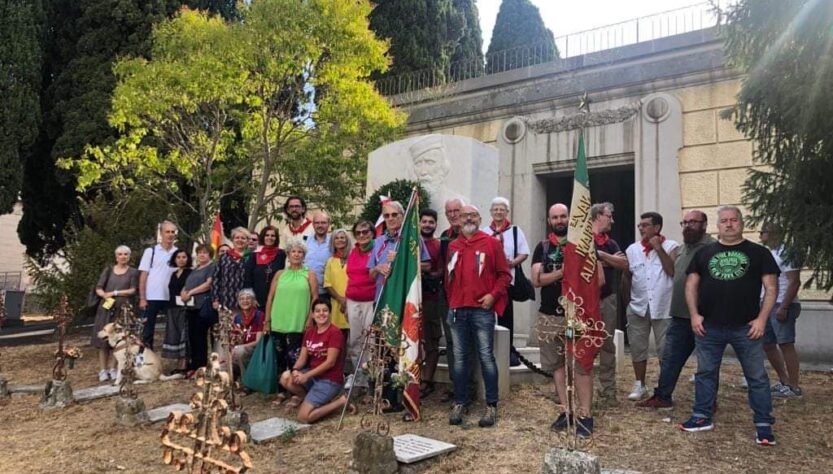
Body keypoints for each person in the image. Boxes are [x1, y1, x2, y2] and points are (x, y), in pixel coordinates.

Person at [679, 206, 779, 446]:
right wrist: (694, 315)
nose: (729, 224)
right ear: (718, 225)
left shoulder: (759, 253)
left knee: (756, 376)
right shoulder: (704, 253)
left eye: (734, 220)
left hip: (747, 327)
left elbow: (772, 288)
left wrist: (762, 319)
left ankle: (763, 424)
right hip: (709, 326)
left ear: (742, 223)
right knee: (705, 373)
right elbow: (691, 285)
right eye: (724, 221)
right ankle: (702, 416)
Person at [637, 210, 714, 410]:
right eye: (685, 222)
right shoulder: (682, 249)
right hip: (679, 315)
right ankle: (662, 397)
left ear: (704, 225)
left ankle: (709, 402)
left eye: (693, 222)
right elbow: (672, 272)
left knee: (707, 362)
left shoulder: (712, 248)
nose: (688, 226)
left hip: (703, 316)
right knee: (670, 359)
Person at [445, 205, 512, 428]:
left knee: (485, 356)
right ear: (458, 220)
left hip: (481, 310)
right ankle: (460, 401)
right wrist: (452, 301)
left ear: (480, 218)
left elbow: (504, 275)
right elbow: (449, 277)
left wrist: (493, 296)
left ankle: (491, 404)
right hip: (457, 309)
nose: (468, 219)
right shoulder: (454, 245)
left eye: (473, 215)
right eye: (464, 216)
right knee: (460, 358)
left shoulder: (491, 243)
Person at [533, 204, 594, 438]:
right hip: (550, 315)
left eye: (563, 216)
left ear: (570, 218)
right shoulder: (543, 247)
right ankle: (567, 411)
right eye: (555, 217)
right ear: (549, 221)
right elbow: (537, 280)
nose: (559, 220)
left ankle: (586, 415)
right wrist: (562, 273)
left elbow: (596, 280)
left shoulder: (583, 244)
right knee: (557, 366)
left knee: (580, 365)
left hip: (576, 316)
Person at [624, 212, 679, 401]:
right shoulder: (632, 249)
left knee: (665, 349)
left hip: (663, 307)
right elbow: (627, 276)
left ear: (657, 228)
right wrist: (628, 302)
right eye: (640, 225)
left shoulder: (671, 246)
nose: (641, 228)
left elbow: (672, 271)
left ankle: (664, 387)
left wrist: (658, 248)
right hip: (638, 305)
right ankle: (640, 384)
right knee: (638, 347)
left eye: (645, 225)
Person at [265, 238, 318, 404]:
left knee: (296, 358)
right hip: (278, 321)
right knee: (280, 358)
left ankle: (296, 391)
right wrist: (267, 320)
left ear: (304, 255)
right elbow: (270, 297)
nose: (296, 254)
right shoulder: (280, 274)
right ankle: (281, 391)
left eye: (300, 252)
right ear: (288, 254)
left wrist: (310, 319)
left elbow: (315, 298)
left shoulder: (309, 274)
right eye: (293, 251)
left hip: (298, 322)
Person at [280, 298, 350, 423]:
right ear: (312, 314)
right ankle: (312, 400)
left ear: (330, 313)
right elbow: (302, 358)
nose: (321, 314)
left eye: (325, 310)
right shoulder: (310, 332)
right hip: (314, 376)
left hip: (330, 380)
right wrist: (295, 370)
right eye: (317, 311)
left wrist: (306, 375)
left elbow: (330, 362)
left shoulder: (335, 333)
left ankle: (341, 401)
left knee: (303, 417)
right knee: (286, 378)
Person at [482, 197, 530, 367]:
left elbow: (524, 252)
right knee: (487, 315)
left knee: (506, 315)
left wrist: (512, 263)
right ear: (491, 212)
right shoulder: (484, 232)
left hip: (508, 280)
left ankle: (507, 350)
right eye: (495, 209)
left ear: (507, 212)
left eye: (502, 209)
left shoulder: (515, 231)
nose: (498, 212)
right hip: (488, 281)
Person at [590, 202, 628, 405]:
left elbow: (623, 263)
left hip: (607, 300)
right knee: (582, 345)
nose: (612, 220)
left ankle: (608, 392)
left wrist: (602, 256)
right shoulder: (583, 239)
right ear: (598, 216)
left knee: (607, 346)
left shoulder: (610, 243)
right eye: (609, 216)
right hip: (585, 301)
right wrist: (609, 260)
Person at [760, 223, 803, 398]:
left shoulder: (786, 253)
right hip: (767, 304)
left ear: (772, 233)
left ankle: (794, 386)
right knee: (768, 344)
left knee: (786, 344)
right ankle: (784, 381)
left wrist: (784, 306)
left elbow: (794, 281)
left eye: (763, 232)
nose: (761, 235)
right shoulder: (769, 253)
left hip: (782, 303)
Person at [91, 245, 139, 382]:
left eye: (126, 254)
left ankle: (113, 368)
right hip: (106, 308)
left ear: (129, 256)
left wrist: (116, 293)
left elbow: (133, 290)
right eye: (120, 254)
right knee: (103, 340)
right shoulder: (108, 270)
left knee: (120, 340)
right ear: (116, 256)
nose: (123, 257)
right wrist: (104, 295)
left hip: (123, 309)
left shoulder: (133, 272)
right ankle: (102, 370)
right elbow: (99, 287)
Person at [367, 201, 430, 299]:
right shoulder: (378, 242)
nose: (390, 218)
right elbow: (371, 274)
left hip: (405, 297)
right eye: (387, 216)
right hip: (382, 297)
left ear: (403, 216)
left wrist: (401, 260)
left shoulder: (413, 238)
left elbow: (427, 266)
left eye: (394, 214)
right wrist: (377, 268)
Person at [344, 220, 377, 390]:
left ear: (372, 233)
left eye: (366, 232)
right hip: (352, 300)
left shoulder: (377, 249)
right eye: (359, 233)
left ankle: (371, 377)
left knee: (370, 340)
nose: (362, 235)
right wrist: (345, 301)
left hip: (370, 301)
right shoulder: (353, 252)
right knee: (355, 340)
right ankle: (359, 376)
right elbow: (350, 277)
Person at [138, 220, 178, 349]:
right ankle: (145, 359)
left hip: (171, 298)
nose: (170, 234)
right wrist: (143, 298)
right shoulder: (151, 252)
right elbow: (143, 276)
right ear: (161, 233)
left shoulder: (178, 253)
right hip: (152, 297)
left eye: (173, 232)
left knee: (175, 328)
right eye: (167, 232)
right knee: (147, 331)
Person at [419, 209, 443, 398]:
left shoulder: (439, 245)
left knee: (431, 341)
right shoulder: (411, 243)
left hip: (431, 299)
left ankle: (428, 380)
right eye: (424, 221)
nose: (427, 224)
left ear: (435, 224)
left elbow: (442, 270)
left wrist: (428, 275)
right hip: (412, 299)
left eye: (431, 222)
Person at [183, 245, 215, 373]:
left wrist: (190, 292)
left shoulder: (212, 267)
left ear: (210, 255)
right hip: (191, 306)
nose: (202, 255)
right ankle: (194, 363)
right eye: (200, 253)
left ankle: (201, 364)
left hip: (203, 305)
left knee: (200, 336)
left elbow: (208, 284)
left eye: (205, 253)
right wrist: (183, 293)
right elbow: (186, 285)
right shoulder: (195, 269)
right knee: (192, 336)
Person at [161, 249, 192, 374]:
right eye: (178, 257)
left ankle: (184, 364)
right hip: (172, 307)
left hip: (185, 307)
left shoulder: (190, 273)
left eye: (184, 257)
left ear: (188, 259)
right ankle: (179, 362)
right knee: (175, 333)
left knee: (184, 334)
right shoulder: (173, 274)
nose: (181, 259)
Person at [245, 225, 286, 308]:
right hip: (256, 300)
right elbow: (247, 278)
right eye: (267, 235)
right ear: (263, 237)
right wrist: (251, 297)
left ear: (276, 238)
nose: (269, 238)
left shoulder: (281, 254)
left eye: (273, 235)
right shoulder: (254, 255)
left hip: (276, 298)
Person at [323, 228, 352, 341]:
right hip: (336, 304)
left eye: (342, 237)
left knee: (355, 338)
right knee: (338, 338)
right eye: (337, 238)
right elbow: (327, 284)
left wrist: (348, 300)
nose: (340, 240)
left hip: (353, 302)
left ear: (347, 240)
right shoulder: (330, 261)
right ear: (333, 241)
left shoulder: (354, 257)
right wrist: (341, 299)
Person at [213, 227, 251, 312]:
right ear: (232, 240)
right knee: (227, 325)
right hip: (225, 301)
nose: (239, 240)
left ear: (248, 241)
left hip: (245, 302)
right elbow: (216, 279)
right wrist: (215, 299)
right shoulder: (224, 257)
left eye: (243, 238)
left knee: (243, 325)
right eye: (237, 237)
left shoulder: (252, 257)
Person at [231, 288, 265, 380]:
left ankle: (247, 383)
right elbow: (234, 339)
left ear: (253, 301)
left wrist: (239, 347)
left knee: (240, 351)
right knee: (221, 361)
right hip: (241, 350)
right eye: (241, 299)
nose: (245, 301)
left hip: (256, 350)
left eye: (248, 298)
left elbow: (258, 342)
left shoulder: (260, 315)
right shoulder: (237, 317)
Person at [305, 212, 332, 296]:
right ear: (313, 224)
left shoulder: (334, 242)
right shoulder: (304, 241)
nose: (320, 225)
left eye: (323, 223)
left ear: (328, 224)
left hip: (325, 292)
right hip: (305, 291)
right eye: (317, 223)